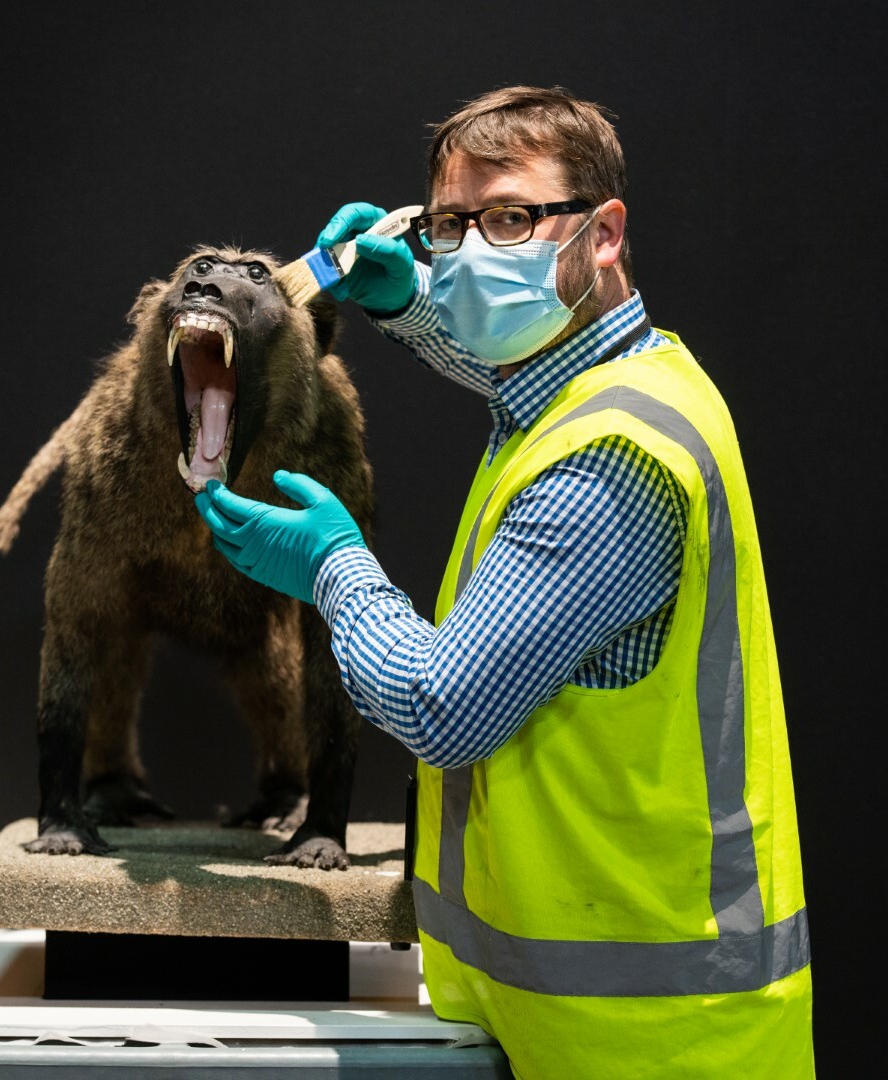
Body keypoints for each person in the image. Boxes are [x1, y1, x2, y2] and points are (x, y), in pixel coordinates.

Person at [195, 85, 813, 1079]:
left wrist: (330, 566)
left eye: (511, 217)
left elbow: (441, 706)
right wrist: (406, 303)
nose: (474, 247)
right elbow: (522, 380)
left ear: (604, 233)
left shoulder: (606, 461)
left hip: (643, 1042)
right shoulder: (638, 377)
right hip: (601, 1016)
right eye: (450, 223)